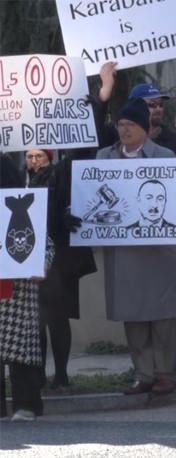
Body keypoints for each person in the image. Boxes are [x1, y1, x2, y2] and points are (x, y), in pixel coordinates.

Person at [94, 63, 176, 374]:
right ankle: (145, 371)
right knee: (134, 306)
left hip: (165, 243)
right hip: (125, 245)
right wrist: (105, 90)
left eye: (159, 104)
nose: (157, 108)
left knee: (175, 299)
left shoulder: (172, 146)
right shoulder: (108, 151)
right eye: (150, 104)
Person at [65, 98, 176, 395]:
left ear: (144, 127)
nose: (124, 129)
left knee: (162, 315)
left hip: (158, 250)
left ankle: (166, 373)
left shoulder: (165, 156)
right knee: (133, 314)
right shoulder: (104, 157)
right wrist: (74, 210)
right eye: (120, 124)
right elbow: (88, 194)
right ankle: (143, 373)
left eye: (130, 124)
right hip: (123, 250)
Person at [0, 153, 54, 421]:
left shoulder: (24, 204)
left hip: (19, 288)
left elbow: (45, 242)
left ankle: (28, 404)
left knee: (20, 349)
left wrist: (43, 264)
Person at [40, 147, 99, 390]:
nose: (34, 160)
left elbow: (83, 157)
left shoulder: (63, 172)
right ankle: (38, 376)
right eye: (30, 156)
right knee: (35, 320)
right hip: (30, 260)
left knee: (58, 317)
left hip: (61, 258)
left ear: (49, 157)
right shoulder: (19, 179)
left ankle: (61, 376)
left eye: (39, 156)